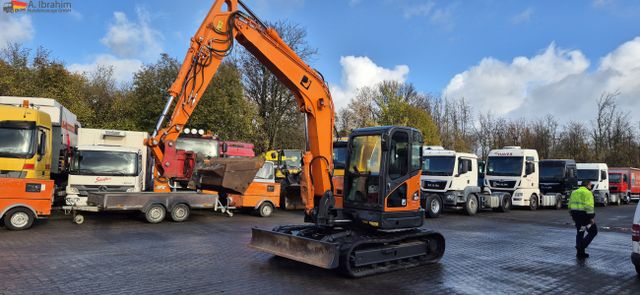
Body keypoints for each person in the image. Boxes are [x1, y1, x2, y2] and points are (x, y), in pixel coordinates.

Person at [568, 180, 598, 259]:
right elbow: (589, 206)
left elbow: (570, 204)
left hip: (576, 216)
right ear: (587, 185)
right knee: (593, 231)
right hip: (585, 216)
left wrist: (571, 214)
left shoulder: (574, 192)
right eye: (590, 185)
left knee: (580, 231)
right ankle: (581, 247)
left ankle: (580, 253)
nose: (591, 187)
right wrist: (591, 217)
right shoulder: (588, 193)